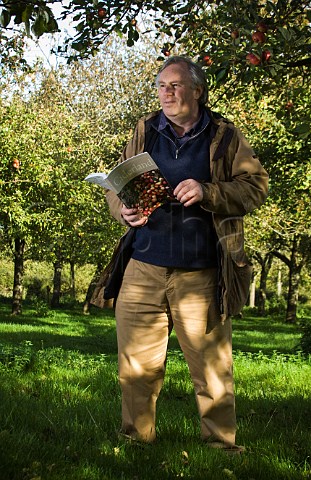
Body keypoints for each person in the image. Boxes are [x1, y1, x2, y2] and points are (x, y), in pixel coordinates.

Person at [100, 56, 268, 452]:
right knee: (136, 368)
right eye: (161, 85)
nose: (167, 93)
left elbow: (255, 186)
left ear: (197, 90)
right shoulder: (145, 130)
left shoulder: (224, 136)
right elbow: (117, 182)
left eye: (175, 85)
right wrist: (120, 208)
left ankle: (221, 446)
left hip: (202, 272)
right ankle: (136, 441)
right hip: (144, 266)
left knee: (211, 371)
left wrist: (209, 192)